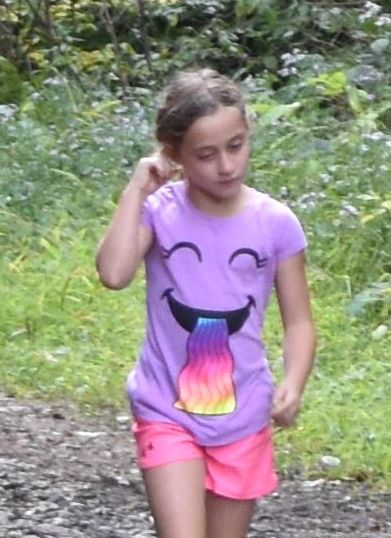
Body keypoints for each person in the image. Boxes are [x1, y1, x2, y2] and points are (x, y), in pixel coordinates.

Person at [96, 69, 316, 538]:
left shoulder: (276, 223)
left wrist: (294, 383)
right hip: (166, 410)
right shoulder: (159, 212)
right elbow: (114, 274)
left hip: (244, 415)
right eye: (206, 155)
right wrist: (137, 188)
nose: (226, 166)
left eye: (236, 146)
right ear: (173, 155)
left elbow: (299, 322)